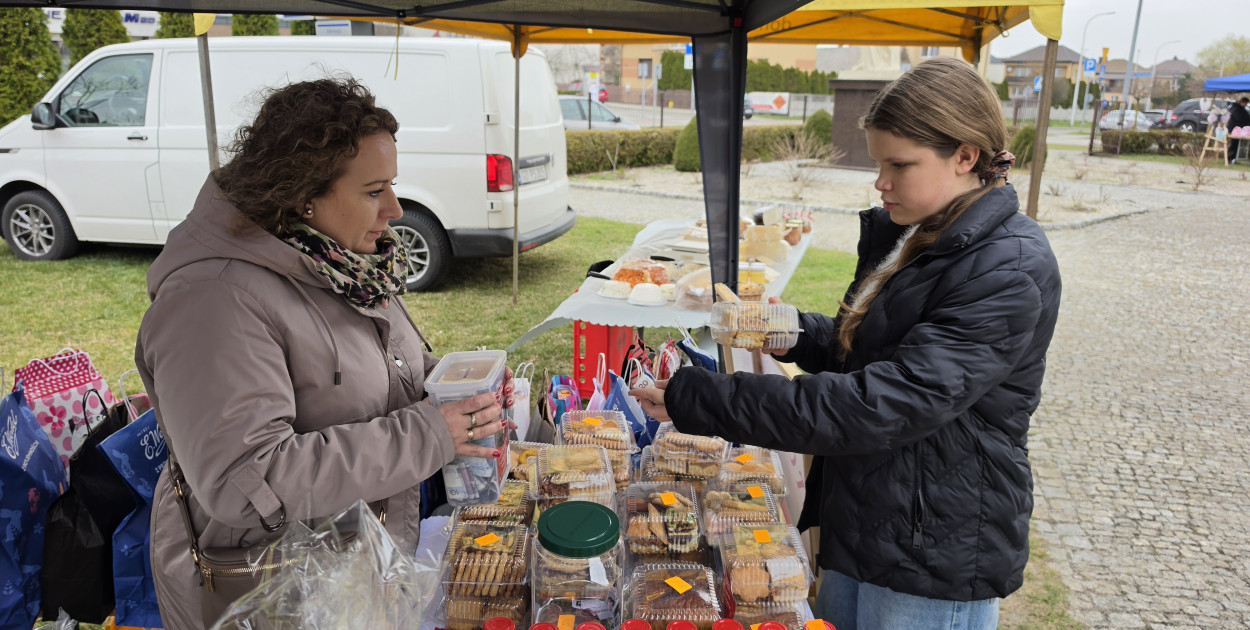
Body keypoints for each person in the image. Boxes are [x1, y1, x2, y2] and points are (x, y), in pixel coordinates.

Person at [631, 57, 1061, 630]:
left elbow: (881, 401)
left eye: (899, 165)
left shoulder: (1007, 267)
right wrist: (793, 332)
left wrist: (706, 399)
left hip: (933, 550)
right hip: (872, 521)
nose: (881, 182)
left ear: (966, 156)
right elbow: (880, 345)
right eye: (879, 164)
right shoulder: (931, 232)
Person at [134, 77, 513, 629]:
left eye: (392, 186)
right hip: (269, 596)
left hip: (354, 575)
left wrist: (454, 385)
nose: (396, 209)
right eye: (373, 190)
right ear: (303, 193)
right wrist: (430, 434)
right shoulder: (212, 300)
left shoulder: (339, 264)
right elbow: (246, 479)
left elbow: (373, 373)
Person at [1226, 97, 1250, 163]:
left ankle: (1232, 158)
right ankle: (1230, 157)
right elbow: (1240, 119)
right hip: (1235, 130)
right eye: (1245, 103)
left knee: (1236, 144)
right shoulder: (1236, 109)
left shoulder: (1241, 109)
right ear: (1242, 102)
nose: (1245, 104)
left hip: (1239, 130)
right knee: (1234, 144)